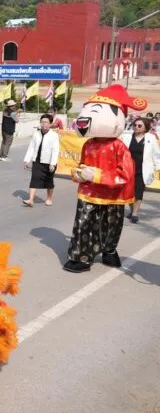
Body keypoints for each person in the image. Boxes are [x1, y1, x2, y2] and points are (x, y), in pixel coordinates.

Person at [64, 84, 146, 273]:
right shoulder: (88, 144)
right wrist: (77, 173)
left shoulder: (119, 147)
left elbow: (125, 174)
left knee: (112, 226)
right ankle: (81, 257)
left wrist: (96, 175)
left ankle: (109, 250)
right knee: (83, 224)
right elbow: (82, 164)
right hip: (89, 193)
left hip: (113, 195)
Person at [120, 117, 160, 223]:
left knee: (138, 191)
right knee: (129, 191)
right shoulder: (127, 136)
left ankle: (135, 213)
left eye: (139, 125)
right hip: (128, 168)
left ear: (145, 127)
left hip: (142, 169)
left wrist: (158, 167)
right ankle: (132, 210)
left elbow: (156, 155)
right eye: (134, 125)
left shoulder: (151, 138)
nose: (136, 127)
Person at [22, 114, 60, 207]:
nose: (44, 124)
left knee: (49, 181)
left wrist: (53, 163)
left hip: (48, 162)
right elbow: (31, 147)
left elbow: (55, 150)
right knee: (34, 179)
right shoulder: (36, 134)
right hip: (37, 161)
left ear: (50, 124)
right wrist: (27, 159)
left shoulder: (54, 135)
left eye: (46, 122)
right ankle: (31, 200)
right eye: (42, 122)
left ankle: (49, 198)